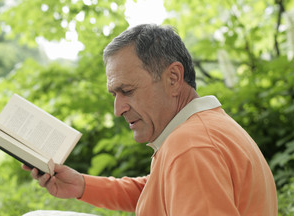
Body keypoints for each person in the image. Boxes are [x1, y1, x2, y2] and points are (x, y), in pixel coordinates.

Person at [23, 24, 278, 215]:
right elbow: (159, 190)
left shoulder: (191, 147)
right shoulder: (201, 130)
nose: (118, 109)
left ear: (174, 78)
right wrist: (81, 185)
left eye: (128, 91)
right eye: (114, 94)